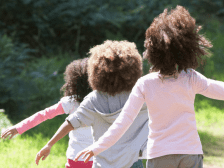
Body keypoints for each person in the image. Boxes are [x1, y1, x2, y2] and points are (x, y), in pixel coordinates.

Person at [73, 6, 224, 168]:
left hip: (159, 156)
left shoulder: (145, 84)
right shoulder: (191, 78)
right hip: (190, 153)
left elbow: (122, 123)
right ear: (186, 49)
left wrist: (97, 147)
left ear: (152, 51)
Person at [35, 40, 149, 168]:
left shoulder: (94, 99)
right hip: (132, 162)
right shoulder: (138, 95)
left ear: (97, 70)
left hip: (103, 163)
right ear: (132, 69)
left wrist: (49, 144)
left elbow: (71, 122)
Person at [1, 58, 94, 168]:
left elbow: (43, 115)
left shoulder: (71, 103)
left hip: (77, 158)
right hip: (102, 158)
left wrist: (19, 127)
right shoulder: (105, 102)